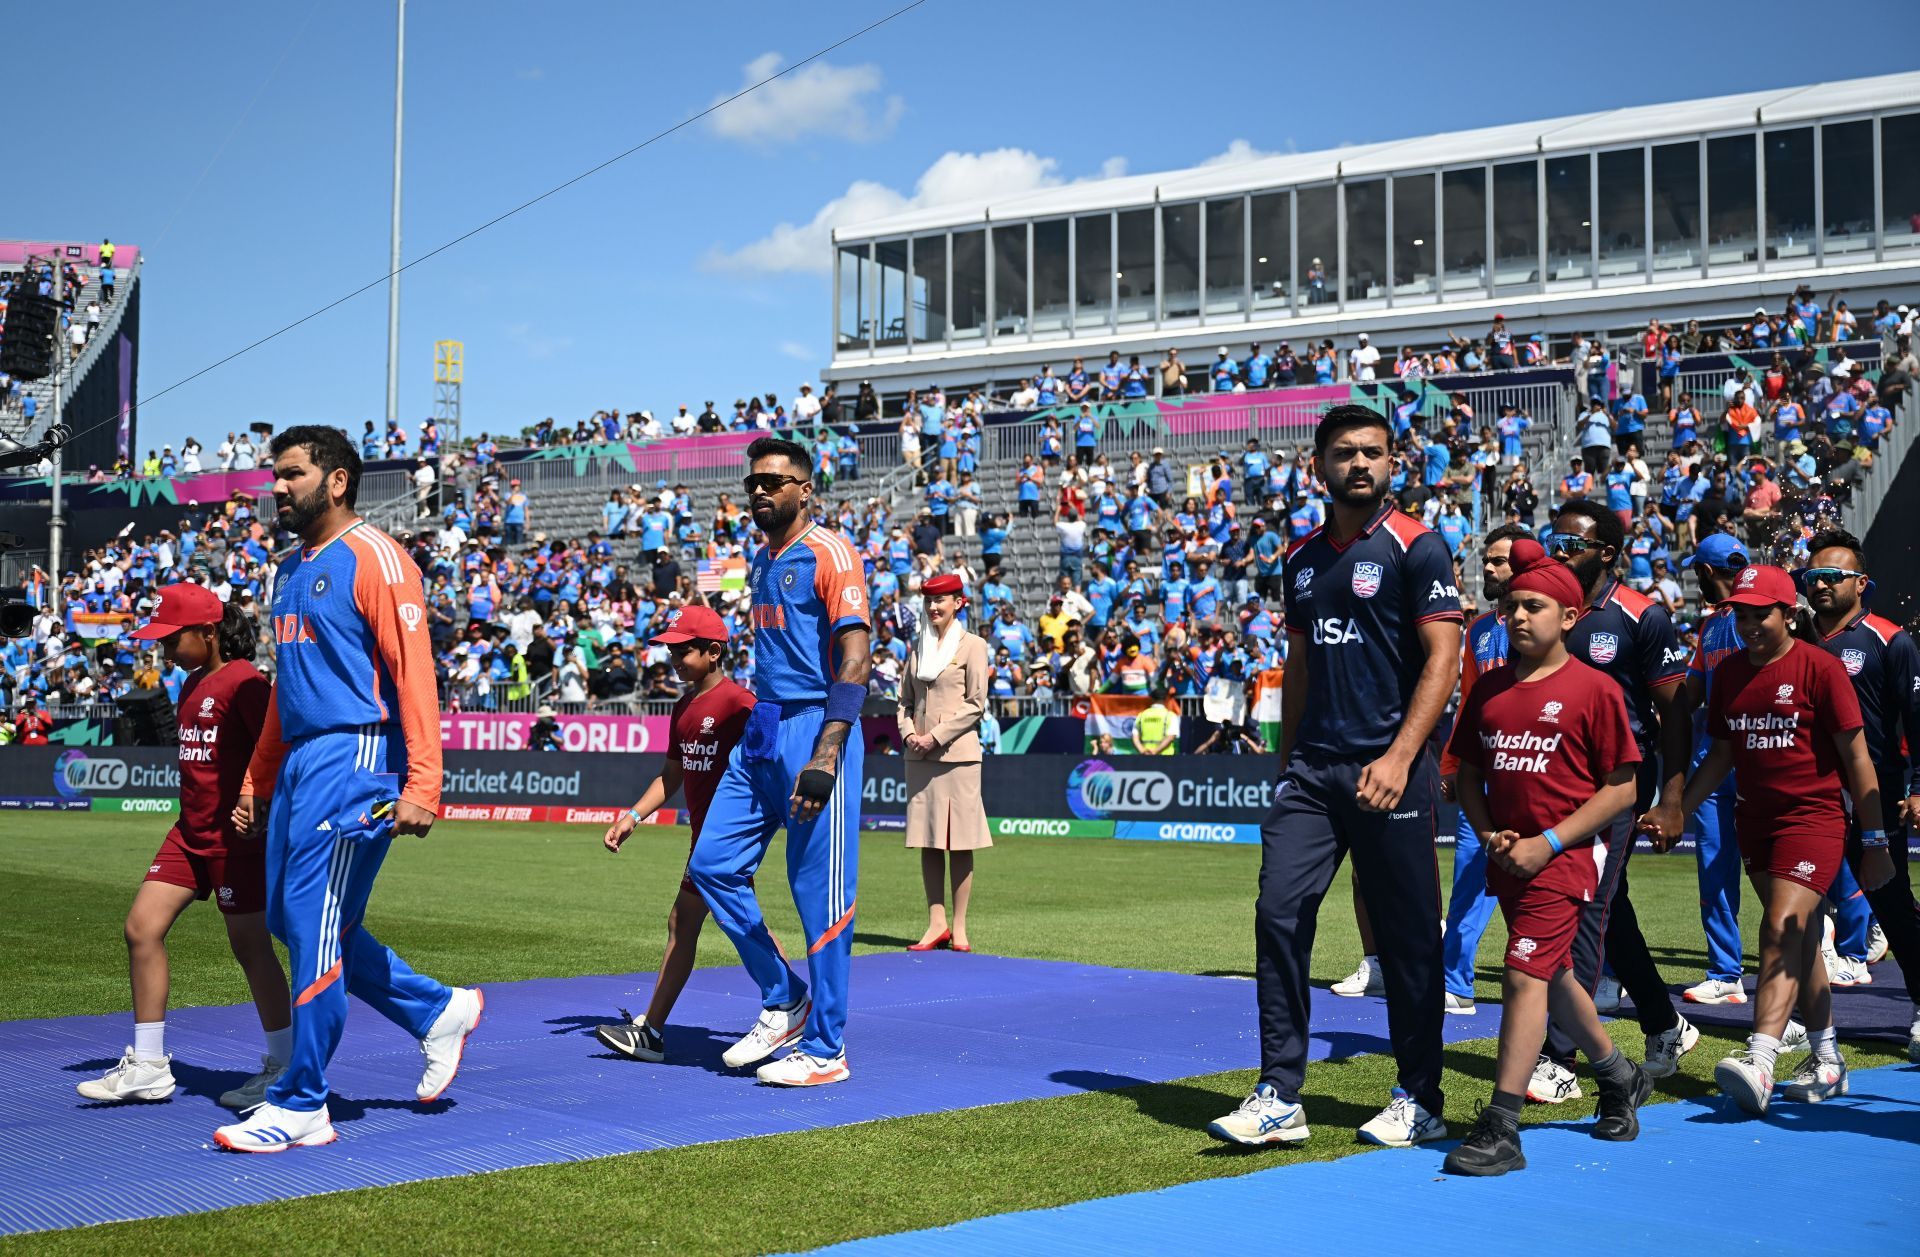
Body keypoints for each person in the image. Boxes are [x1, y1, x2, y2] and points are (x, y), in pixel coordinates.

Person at [1208, 405, 1463, 1149]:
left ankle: (1420, 1095)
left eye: (1374, 453)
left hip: (1392, 770)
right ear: (1319, 464)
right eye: (1346, 453)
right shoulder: (1300, 557)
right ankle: (1280, 1095)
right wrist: (1287, 764)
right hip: (1314, 776)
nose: (1361, 464)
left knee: (1410, 939)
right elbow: (1301, 665)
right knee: (1278, 916)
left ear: (1392, 463)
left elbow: (1443, 662)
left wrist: (1398, 756)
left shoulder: (1420, 547)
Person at [222, 426, 481, 1153]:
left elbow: (413, 672)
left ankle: (303, 1098)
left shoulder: (378, 558)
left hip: (357, 752)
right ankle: (439, 1012)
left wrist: (423, 780)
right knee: (292, 916)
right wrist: (258, 776)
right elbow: (287, 688)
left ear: (336, 481)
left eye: (293, 474)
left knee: (312, 921)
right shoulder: (287, 569)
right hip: (303, 759)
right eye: (276, 475)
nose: (277, 486)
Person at [1641, 564, 1889, 1115]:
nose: (1750, 625)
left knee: (1779, 925)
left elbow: (1857, 760)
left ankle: (1761, 1057)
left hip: (1814, 819)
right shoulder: (1728, 673)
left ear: (1788, 614)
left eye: (1762, 614)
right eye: (1742, 614)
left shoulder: (1821, 669)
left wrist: (1874, 841)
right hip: (1756, 822)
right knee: (1800, 942)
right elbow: (1724, 754)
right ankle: (1827, 1059)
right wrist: (1677, 806)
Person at [1443, 539, 1652, 1175]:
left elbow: (1624, 788)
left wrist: (1550, 842)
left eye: (1534, 605)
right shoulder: (1491, 690)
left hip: (1564, 860)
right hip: (1510, 857)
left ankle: (1502, 1124)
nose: (1518, 616)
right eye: (1510, 606)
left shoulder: (1595, 689)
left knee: (1523, 974)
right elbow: (1467, 776)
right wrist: (1487, 835)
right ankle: (1620, 1076)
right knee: (1552, 977)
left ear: (1569, 616)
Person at [687, 436, 871, 1087]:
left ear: (804, 489)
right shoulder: (761, 559)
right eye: (754, 480)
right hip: (762, 731)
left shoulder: (831, 551)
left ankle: (827, 1048)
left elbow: (855, 657)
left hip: (815, 730)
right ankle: (784, 996)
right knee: (711, 865)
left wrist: (826, 753)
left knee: (817, 895)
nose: (760, 490)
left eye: (775, 480)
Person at [75, 585, 293, 1110]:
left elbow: (276, 750)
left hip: (235, 840)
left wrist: (255, 799)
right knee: (140, 929)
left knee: (250, 947)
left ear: (208, 632)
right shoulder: (192, 682)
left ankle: (284, 1069)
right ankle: (148, 1066)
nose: (165, 650)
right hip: (188, 832)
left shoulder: (246, 683)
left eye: (173, 639)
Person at [1526, 500, 1697, 1106]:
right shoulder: (1543, 607)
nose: (1558, 549)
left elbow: (1677, 715)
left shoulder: (1639, 616)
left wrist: (1673, 797)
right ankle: (1663, 1023)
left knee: (1588, 904)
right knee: (1606, 904)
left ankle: (1559, 1056)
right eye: (1553, 538)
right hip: (1555, 776)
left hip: (1617, 782)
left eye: (1571, 542)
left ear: (1607, 553)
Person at [596, 605, 758, 1062]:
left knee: (729, 922)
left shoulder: (739, 704)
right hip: (704, 838)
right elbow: (672, 776)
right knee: (703, 922)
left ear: (713, 651)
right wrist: (633, 816)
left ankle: (790, 1008)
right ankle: (789, 1009)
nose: (672, 658)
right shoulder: (683, 706)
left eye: (681, 650)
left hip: (729, 837)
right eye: (670, 649)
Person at [1799, 530, 1920, 1061]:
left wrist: (1919, 789)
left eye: (1834, 577)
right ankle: (1791, 1021)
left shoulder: (1890, 640)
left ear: (1862, 583)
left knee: (1891, 907)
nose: (1822, 585)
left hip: (1876, 796)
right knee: (1792, 911)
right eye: (1813, 577)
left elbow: (1918, 722)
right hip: (1807, 797)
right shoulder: (1794, 638)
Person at [1433, 524, 1531, 1016]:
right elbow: (1468, 704)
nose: (1488, 569)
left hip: (1536, 773)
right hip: (1485, 773)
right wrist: (1452, 763)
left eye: (1499, 561)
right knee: (1469, 879)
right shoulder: (1477, 630)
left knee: (1542, 887)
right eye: (1487, 561)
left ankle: (1563, 981)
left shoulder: (1552, 621)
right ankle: (1456, 985)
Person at [898, 573, 991, 953]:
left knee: (961, 842)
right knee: (929, 841)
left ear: (958, 603)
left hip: (957, 756)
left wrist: (934, 736)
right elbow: (903, 702)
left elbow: (976, 704)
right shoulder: (917, 649)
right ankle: (936, 924)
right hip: (919, 756)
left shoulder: (974, 645)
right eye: (929, 601)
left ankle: (959, 926)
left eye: (943, 600)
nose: (934, 607)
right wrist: (908, 734)